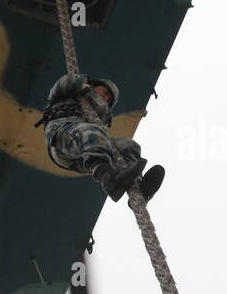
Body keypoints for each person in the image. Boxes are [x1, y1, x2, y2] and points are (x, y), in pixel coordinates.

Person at [35, 73, 164, 201]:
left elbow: (102, 111)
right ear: (94, 85)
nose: (105, 97)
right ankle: (107, 179)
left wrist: (96, 99)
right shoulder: (64, 95)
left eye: (108, 98)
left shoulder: (98, 117)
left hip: (85, 155)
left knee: (129, 145)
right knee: (90, 132)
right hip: (61, 139)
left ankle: (138, 190)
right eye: (105, 91)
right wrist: (85, 84)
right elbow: (66, 82)